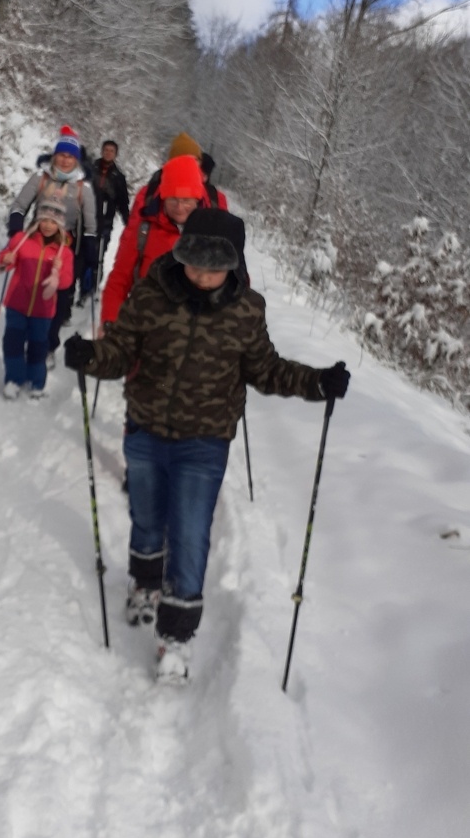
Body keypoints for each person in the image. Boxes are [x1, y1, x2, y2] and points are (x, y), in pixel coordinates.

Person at [64, 208, 350, 683]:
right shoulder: (151, 294)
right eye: (195, 260)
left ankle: (176, 638)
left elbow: (266, 370)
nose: (202, 273)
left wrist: (318, 383)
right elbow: (120, 353)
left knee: (192, 532)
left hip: (205, 442)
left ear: (234, 264)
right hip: (146, 428)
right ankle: (145, 584)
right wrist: (91, 355)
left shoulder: (246, 309)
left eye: (215, 265)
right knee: (148, 517)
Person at [7, 124, 97, 361]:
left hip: (67, 248)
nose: (65, 160)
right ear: (55, 155)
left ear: (77, 159)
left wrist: (90, 251)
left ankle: (47, 345)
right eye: (62, 154)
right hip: (36, 242)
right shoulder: (40, 178)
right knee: (31, 290)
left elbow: (90, 225)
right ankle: (28, 334)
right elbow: (19, 205)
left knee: (59, 297)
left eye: (70, 156)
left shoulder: (83, 188)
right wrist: (16, 227)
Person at [99, 153, 211, 328]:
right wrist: (110, 323)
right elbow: (119, 280)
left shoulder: (214, 233)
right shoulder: (144, 229)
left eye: (187, 200)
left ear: (198, 199)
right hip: (145, 330)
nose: (180, 208)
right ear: (163, 197)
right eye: (173, 200)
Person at [0, 199, 74, 400]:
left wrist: (59, 269)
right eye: (44, 220)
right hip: (17, 303)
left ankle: (36, 383)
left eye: (53, 222)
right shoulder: (22, 240)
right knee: (12, 343)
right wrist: (6, 259)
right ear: (37, 220)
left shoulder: (63, 252)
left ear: (60, 226)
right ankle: (14, 380)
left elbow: (65, 283)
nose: (48, 225)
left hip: (44, 310)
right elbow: (5, 260)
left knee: (38, 347)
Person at [91, 140, 130, 271]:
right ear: (102, 151)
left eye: (111, 151)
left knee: (99, 255)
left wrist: (129, 223)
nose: (108, 153)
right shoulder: (90, 169)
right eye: (106, 150)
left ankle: (92, 286)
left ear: (116, 154)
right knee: (82, 253)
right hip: (86, 218)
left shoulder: (118, 177)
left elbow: (123, 202)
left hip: (106, 221)